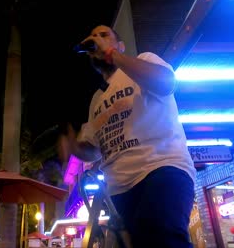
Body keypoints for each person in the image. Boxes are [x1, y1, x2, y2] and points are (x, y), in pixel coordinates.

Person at [59, 25, 196, 247]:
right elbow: (94, 149)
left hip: (161, 167)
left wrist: (114, 56)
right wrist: (74, 147)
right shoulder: (96, 100)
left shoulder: (144, 61)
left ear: (120, 45)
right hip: (119, 188)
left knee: (159, 234)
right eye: (93, 37)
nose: (97, 39)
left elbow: (166, 82)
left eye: (104, 35)